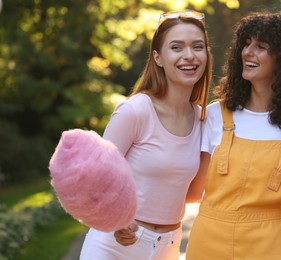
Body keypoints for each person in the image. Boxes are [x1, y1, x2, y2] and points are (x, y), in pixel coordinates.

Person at [185, 11, 281, 259]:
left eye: (260, 46)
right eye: (246, 43)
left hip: (271, 246)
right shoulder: (216, 115)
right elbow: (193, 191)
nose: (247, 52)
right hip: (208, 242)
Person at [79, 10, 212, 260]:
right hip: (114, 246)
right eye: (176, 47)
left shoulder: (205, 120)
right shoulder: (136, 110)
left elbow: (193, 193)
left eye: (198, 47)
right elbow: (96, 178)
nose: (189, 56)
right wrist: (116, 220)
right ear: (158, 57)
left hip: (167, 247)